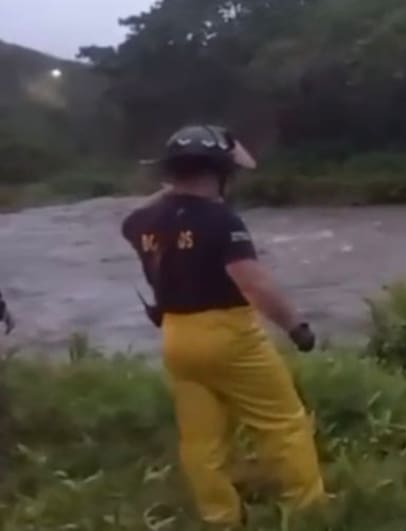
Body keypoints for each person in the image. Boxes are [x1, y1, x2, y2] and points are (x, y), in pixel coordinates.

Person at [121, 124, 325, 527]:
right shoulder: (220, 219)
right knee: (283, 422)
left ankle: (221, 518)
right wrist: (295, 326)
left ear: (172, 172)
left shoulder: (144, 223)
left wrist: (173, 186)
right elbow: (254, 281)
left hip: (176, 338)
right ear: (219, 172)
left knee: (201, 440)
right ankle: (309, 510)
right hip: (228, 336)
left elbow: (132, 218)